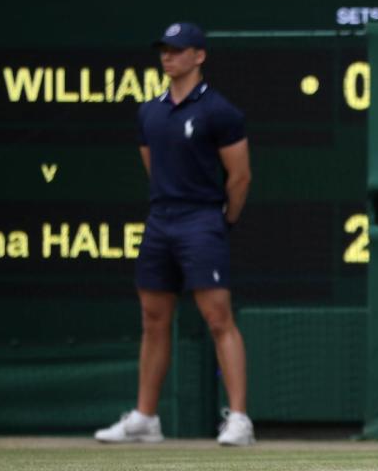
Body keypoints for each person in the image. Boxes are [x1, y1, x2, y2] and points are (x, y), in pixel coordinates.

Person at [95, 22, 255, 446]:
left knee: (218, 317)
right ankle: (146, 417)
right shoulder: (149, 112)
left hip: (203, 220)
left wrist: (223, 221)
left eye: (178, 50)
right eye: (164, 50)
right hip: (160, 220)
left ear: (198, 56)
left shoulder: (220, 111)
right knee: (152, 319)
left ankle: (239, 418)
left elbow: (239, 177)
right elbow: (154, 168)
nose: (168, 56)